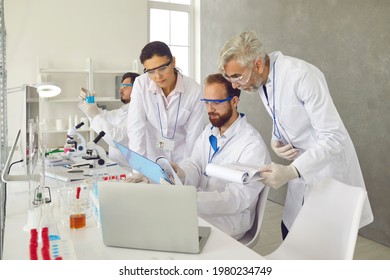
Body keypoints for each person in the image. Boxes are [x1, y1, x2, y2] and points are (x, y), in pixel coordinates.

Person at [218, 30, 374, 239]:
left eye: (237, 76)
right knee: (290, 231)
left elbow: (334, 136)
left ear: (257, 65)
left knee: (322, 247)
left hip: (328, 171)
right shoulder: (262, 80)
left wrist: (292, 171)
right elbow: (284, 114)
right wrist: (277, 138)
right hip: (302, 173)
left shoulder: (301, 76)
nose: (234, 85)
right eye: (229, 78)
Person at [171, 73, 271, 240]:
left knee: (173, 229)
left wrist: (193, 200)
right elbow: (195, 164)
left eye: (216, 103)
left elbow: (237, 198)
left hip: (229, 219)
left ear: (234, 101)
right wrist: (181, 173)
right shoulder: (209, 131)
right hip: (202, 207)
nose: (210, 109)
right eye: (206, 102)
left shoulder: (252, 145)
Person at [127, 41, 204, 165]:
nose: (158, 76)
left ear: (173, 62)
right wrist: (139, 168)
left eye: (162, 68)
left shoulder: (194, 90)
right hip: (152, 159)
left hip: (181, 159)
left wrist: (188, 171)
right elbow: (136, 129)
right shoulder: (141, 84)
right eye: (151, 71)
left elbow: (194, 136)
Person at [78, 72, 139, 170]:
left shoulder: (139, 113)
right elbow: (102, 117)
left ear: (138, 88)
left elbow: (117, 140)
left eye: (125, 86)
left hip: (131, 170)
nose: (121, 89)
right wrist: (88, 101)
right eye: (121, 86)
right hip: (116, 167)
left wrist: (95, 114)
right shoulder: (121, 112)